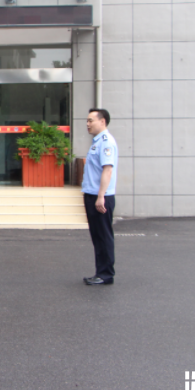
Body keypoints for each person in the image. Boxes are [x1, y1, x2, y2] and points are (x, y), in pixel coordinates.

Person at [81, 108, 119, 286]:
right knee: (97, 236)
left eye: (91, 120)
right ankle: (101, 272)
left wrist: (101, 196)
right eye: (87, 121)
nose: (87, 124)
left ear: (102, 121)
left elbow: (108, 169)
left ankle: (105, 274)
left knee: (103, 236)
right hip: (92, 194)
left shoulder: (106, 142)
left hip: (100, 196)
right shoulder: (97, 142)